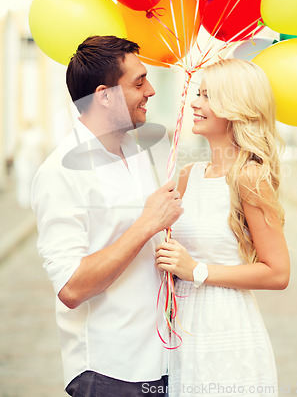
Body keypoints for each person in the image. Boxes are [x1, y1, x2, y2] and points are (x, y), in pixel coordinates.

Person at [31, 35, 184, 396]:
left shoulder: (137, 150)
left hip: (163, 361)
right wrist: (147, 223)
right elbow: (71, 287)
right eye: (138, 82)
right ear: (104, 95)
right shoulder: (60, 173)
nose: (150, 90)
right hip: (110, 371)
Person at [155, 58, 290, 397]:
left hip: (225, 327)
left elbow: (277, 273)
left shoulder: (249, 177)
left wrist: (197, 270)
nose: (195, 103)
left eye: (207, 96)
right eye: (198, 93)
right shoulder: (187, 175)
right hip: (180, 328)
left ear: (236, 107)